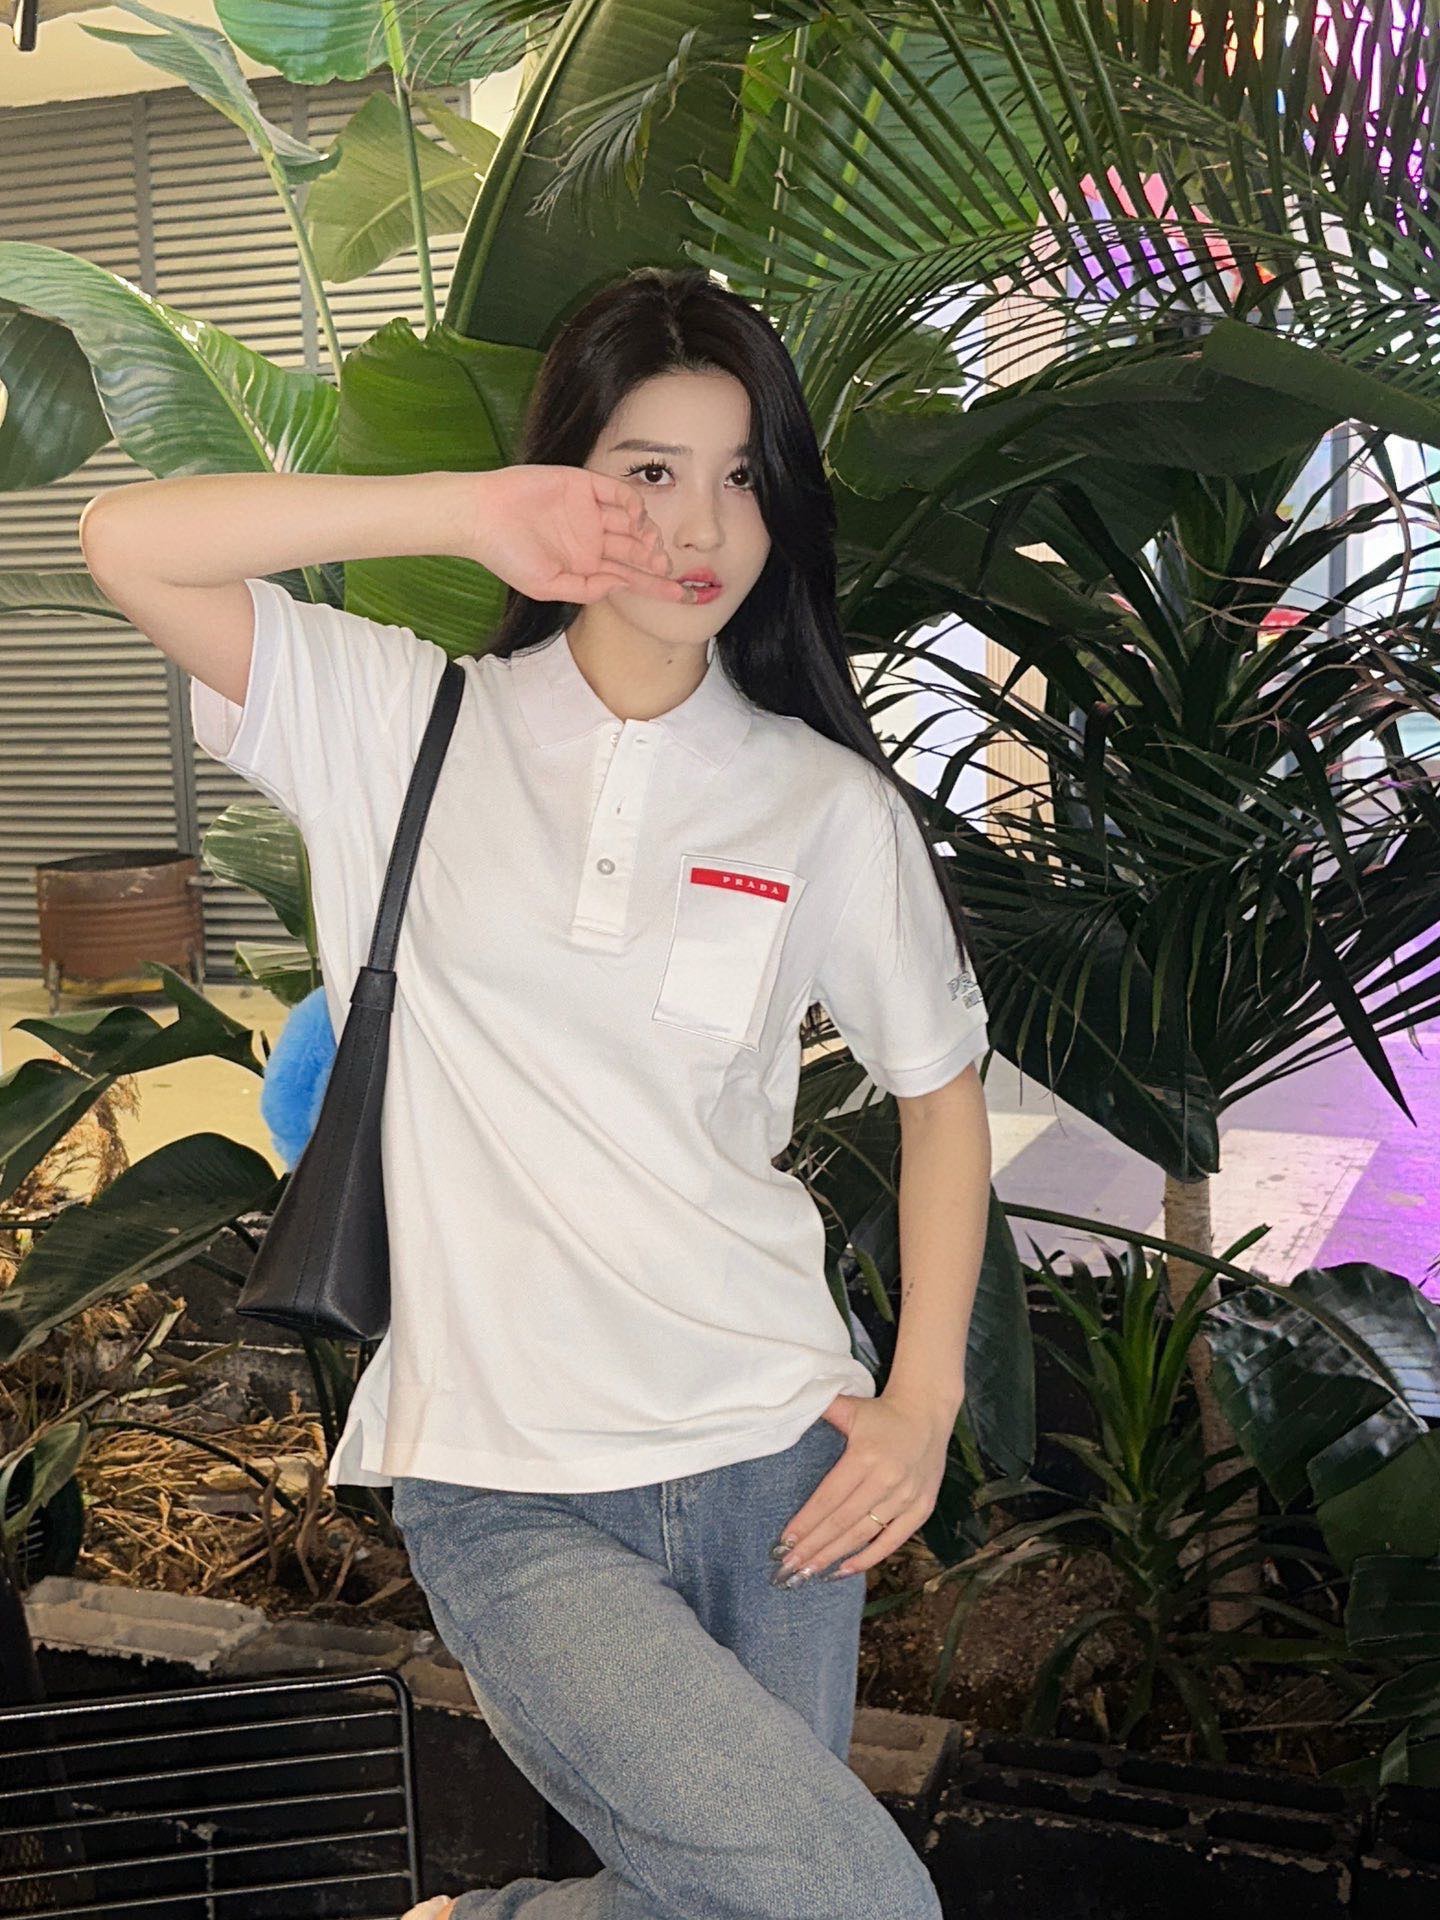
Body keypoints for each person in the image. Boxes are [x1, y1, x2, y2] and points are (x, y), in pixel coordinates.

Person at [79, 265, 993, 1920]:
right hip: (510, 1481)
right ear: (571, 477)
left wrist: (922, 1401)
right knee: (854, 1905)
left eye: (740, 476)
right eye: (648, 469)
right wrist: (466, 509)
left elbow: (942, 1094)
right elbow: (127, 539)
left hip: (776, 1461)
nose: (699, 524)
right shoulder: (396, 722)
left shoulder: (823, 808)